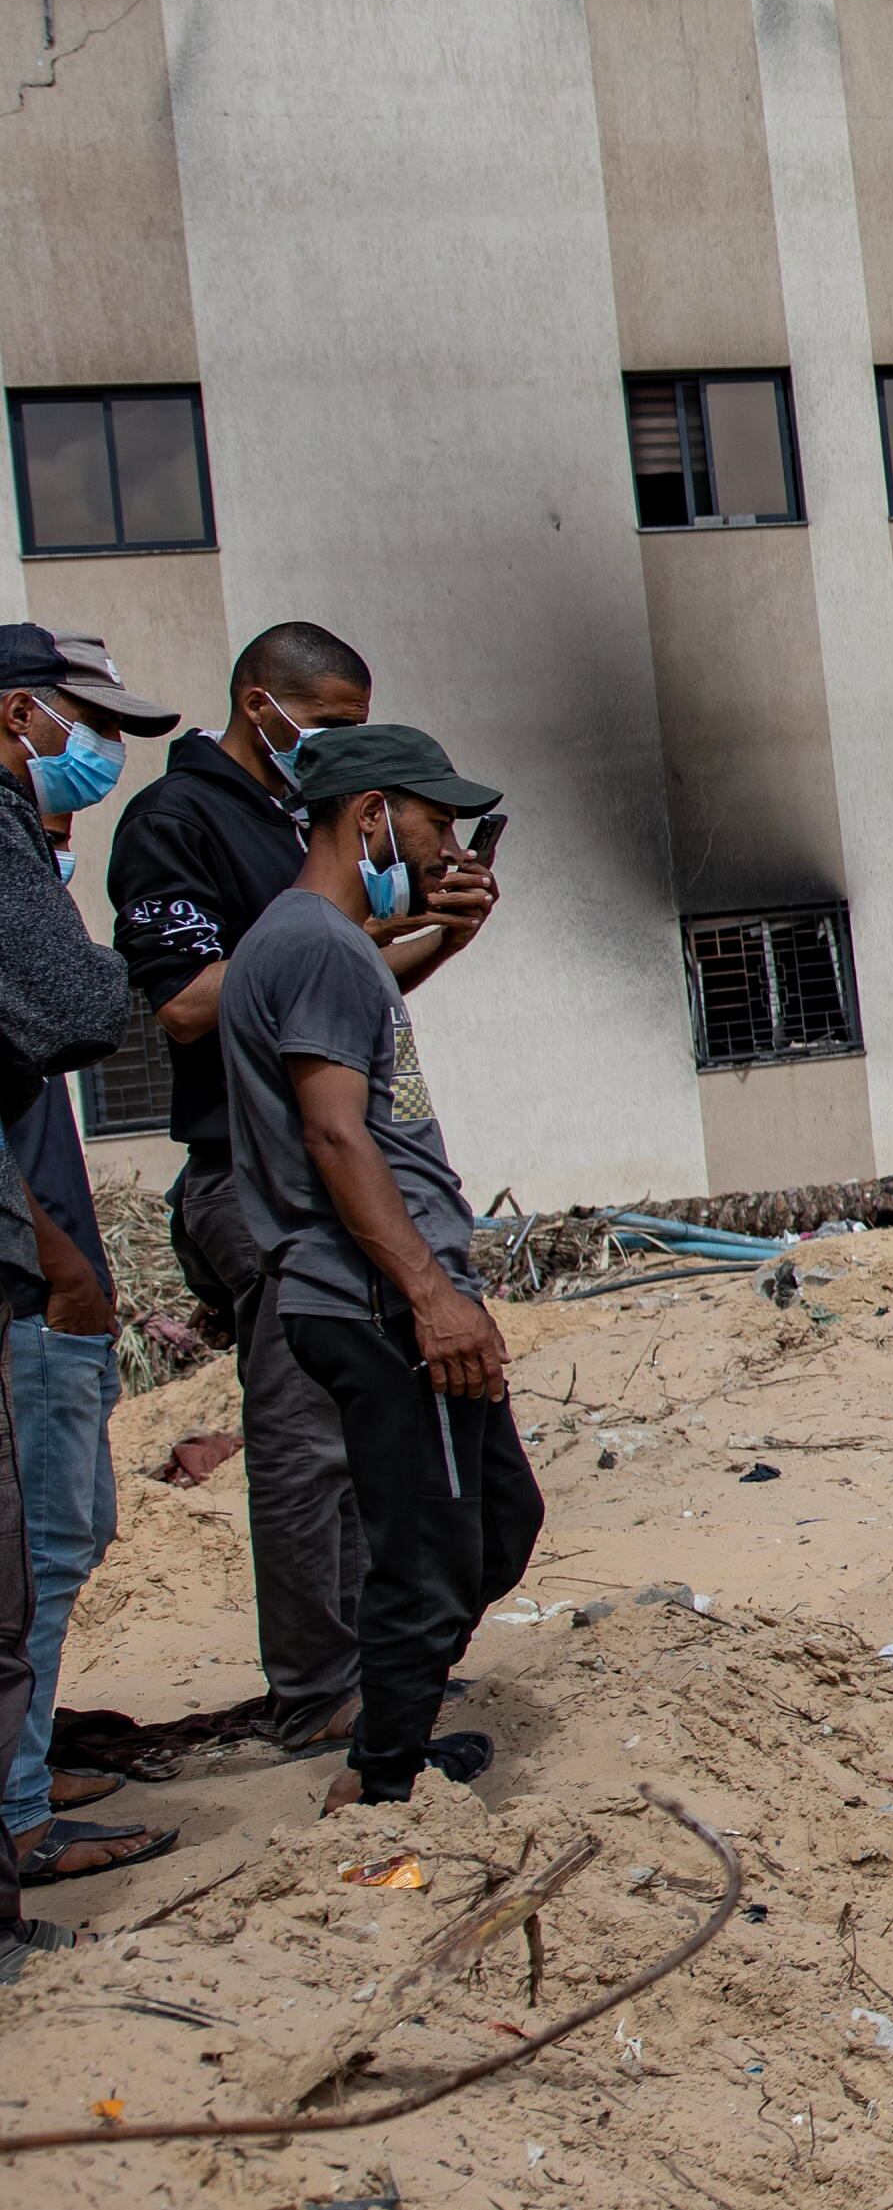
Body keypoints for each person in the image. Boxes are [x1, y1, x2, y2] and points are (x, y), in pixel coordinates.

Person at [214, 723, 537, 1811]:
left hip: (387, 1292)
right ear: (368, 817)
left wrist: (444, 940)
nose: (445, 844)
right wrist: (430, 1296)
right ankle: (382, 1781)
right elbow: (336, 1133)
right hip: (378, 1300)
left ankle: (393, 1730)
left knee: (496, 1522)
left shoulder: (317, 944)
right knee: (432, 1549)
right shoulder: (314, 945)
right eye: (433, 820)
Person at [104, 622, 398, 1751]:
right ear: (259, 704)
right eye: (327, 726)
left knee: (356, 1436)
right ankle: (319, 1690)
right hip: (252, 1172)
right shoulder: (176, 820)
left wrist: (429, 931)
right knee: (301, 1439)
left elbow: (325, 1002)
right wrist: (332, 937)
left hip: (328, 1165)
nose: (340, 749)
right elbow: (184, 1003)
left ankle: (366, 1668)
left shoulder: (289, 821)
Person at [3, 630, 173, 1882]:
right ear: (20, 716)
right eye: (85, 723)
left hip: (43, 1270)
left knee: (60, 1546)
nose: (100, 751)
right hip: (29, 1282)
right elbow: (80, 1008)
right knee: (40, 1552)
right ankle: (17, 1811)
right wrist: (61, 1267)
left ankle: (24, 1768)